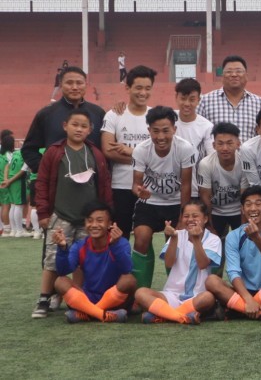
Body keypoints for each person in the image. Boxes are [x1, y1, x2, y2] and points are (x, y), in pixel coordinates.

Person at [33, 110, 113, 319]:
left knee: (83, 260)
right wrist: (43, 212)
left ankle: (76, 297)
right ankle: (44, 298)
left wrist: (107, 215)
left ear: (90, 130)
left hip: (89, 220)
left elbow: (104, 184)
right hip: (61, 215)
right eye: (74, 124)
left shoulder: (95, 153)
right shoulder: (54, 152)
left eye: (83, 126)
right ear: (65, 125)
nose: (79, 129)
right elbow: (41, 183)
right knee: (52, 258)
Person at [130, 106, 196, 291]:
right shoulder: (141, 150)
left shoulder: (184, 148)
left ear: (174, 129)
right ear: (149, 130)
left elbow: (186, 185)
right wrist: (139, 191)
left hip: (176, 203)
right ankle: (141, 290)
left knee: (174, 239)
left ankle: (175, 289)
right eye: (156, 131)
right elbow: (135, 184)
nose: (161, 137)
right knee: (141, 238)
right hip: (150, 202)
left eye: (166, 131)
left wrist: (184, 217)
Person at [205, 186, 261, 321]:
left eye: (258, 204)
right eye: (248, 204)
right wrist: (248, 299)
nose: (253, 208)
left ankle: (237, 311)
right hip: (244, 291)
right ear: (243, 210)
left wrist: (256, 238)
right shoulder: (233, 236)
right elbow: (233, 271)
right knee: (211, 280)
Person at [136, 200, 220, 324]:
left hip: (197, 295)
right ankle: (180, 316)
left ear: (205, 219)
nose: (190, 219)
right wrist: (173, 239)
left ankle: (164, 315)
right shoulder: (177, 235)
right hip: (172, 294)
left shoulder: (213, 239)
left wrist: (196, 240)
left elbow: (203, 264)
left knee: (208, 298)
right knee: (140, 293)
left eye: (195, 216)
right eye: (186, 216)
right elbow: (169, 263)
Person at [53, 201, 135, 323]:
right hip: (87, 298)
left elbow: (126, 269)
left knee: (129, 280)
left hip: (115, 301)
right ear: (85, 223)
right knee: (60, 281)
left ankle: (89, 313)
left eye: (100, 220)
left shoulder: (120, 243)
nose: (94, 225)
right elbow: (63, 270)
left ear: (109, 224)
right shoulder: (80, 246)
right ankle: (103, 315)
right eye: (90, 221)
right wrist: (62, 248)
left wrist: (114, 245)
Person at [101, 65, 156, 242]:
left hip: (149, 188)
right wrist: (144, 158)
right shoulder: (114, 115)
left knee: (145, 238)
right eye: (138, 87)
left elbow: (161, 154)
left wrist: (130, 152)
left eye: (147, 88)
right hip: (121, 186)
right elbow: (108, 151)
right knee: (118, 236)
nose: (143, 93)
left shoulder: (156, 115)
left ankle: (139, 271)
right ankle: (119, 270)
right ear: (127, 88)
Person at [22, 67, 105, 178]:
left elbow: (105, 148)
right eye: (69, 83)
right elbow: (29, 149)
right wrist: (46, 169)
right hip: (56, 185)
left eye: (79, 83)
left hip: (92, 183)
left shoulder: (98, 113)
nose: (75, 87)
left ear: (86, 85)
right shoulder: (46, 114)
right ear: (61, 85)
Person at [197, 55, 261, 143]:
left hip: (250, 157)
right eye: (229, 72)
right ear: (222, 76)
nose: (234, 75)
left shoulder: (260, 104)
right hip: (216, 156)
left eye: (238, 71)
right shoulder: (205, 102)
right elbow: (198, 133)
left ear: (246, 76)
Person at [198, 123, 244, 238]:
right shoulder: (206, 164)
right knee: (210, 243)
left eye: (229, 143)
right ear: (214, 145)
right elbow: (205, 197)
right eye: (220, 143)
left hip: (239, 211)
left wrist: (244, 227)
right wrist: (210, 227)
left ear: (238, 144)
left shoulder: (244, 161)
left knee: (243, 243)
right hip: (216, 211)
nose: (225, 148)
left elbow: (245, 197)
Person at [173, 78, 214, 199]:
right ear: (176, 97)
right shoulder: (168, 120)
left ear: (198, 100)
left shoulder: (206, 127)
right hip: (168, 192)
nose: (187, 104)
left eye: (192, 99)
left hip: (194, 191)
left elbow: (212, 159)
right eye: (183, 98)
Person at [0, 133, 27, 237]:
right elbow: (21, 169)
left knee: (7, 206)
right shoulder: (11, 154)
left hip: (5, 181)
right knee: (10, 206)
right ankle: (11, 229)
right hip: (10, 182)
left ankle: (7, 229)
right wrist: (8, 180)